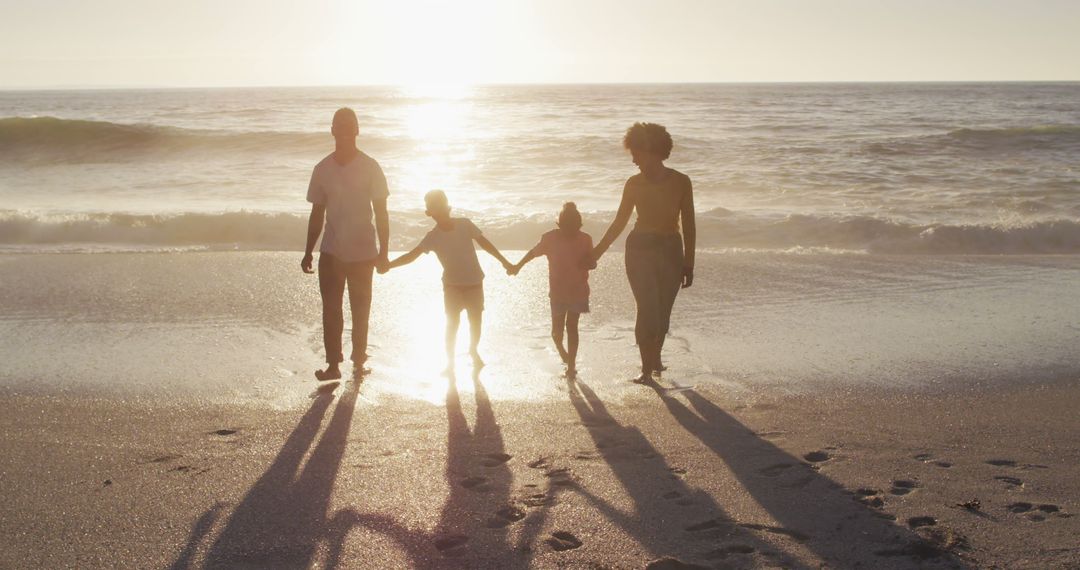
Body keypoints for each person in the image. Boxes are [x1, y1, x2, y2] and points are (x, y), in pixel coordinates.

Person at [591, 122, 696, 383]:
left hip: (672, 249)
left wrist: (689, 263)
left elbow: (690, 224)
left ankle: (655, 356)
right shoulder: (633, 184)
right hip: (639, 249)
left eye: (635, 153)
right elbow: (619, 222)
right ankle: (646, 369)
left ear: (650, 150)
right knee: (647, 308)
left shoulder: (682, 182)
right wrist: (597, 252)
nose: (634, 160)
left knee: (662, 313)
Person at [301, 107, 390, 381]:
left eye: (349, 125)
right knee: (331, 310)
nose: (344, 130)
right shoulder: (322, 169)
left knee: (360, 308)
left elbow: (382, 212)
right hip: (331, 251)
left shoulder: (371, 166)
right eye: (339, 125)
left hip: (364, 252)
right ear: (332, 130)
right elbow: (317, 214)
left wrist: (384, 251)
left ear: (357, 130)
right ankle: (333, 364)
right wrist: (308, 252)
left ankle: (359, 359)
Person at [381, 190, 513, 372]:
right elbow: (412, 256)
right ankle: (449, 362)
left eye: (438, 205)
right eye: (432, 207)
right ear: (430, 213)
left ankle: (473, 350)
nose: (437, 210)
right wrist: (389, 265)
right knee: (452, 324)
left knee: (475, 322)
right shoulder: (433, 236)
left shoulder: (465, 224)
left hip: (475, 282)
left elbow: (485, 243)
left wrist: (505, 261)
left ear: (446, 206)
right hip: (451, 286)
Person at [509, 202, 595, 377]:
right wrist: (518, 265)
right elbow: (532, 253)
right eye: (566, 228)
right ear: (559, 225)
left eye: (574, 228)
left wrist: (589, 263)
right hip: (557, 292)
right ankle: (563, 352)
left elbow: (592, 262)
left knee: (572, 327)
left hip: (578, 290)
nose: (571, 232)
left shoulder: (585, 239)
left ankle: (571, 366)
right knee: (556, 333)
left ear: (580, 226)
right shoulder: (550, 238)